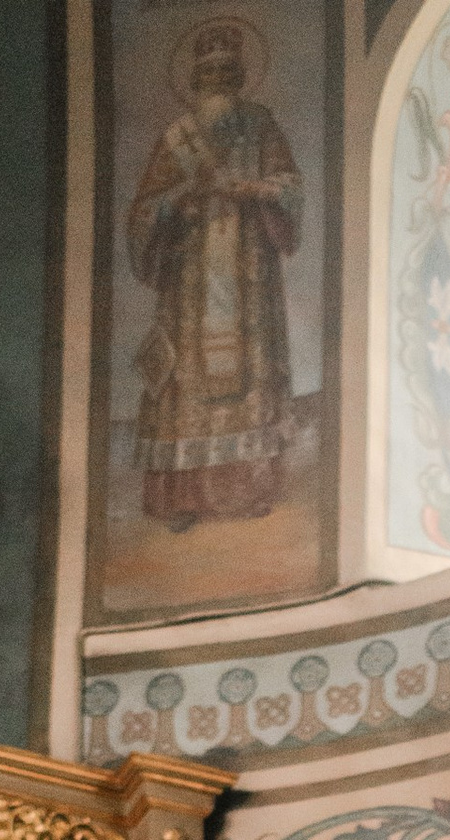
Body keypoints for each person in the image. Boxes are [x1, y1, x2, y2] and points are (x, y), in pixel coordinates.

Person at [129, 22, 303, 529]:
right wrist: (178, 200)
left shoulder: (261, 125)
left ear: (241, 79)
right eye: (210, 78)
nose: (218, 87)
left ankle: (246, 493)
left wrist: (256, 189)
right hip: (190, 281)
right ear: (196, 84)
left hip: (247, 276)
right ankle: (180, 499)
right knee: (185, 383)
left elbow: (291, 185)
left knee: (246, 377)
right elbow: (142, 212)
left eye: (227, 77)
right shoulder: (176, 140)